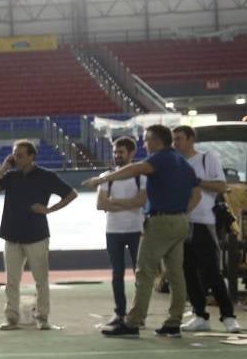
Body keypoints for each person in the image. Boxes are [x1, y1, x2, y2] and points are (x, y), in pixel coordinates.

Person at [83, 125, 201, 337]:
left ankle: (133, 322)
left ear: (156, 141)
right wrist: (181, 213)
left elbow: (134, 169)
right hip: (181, 221)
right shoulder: (181, 161)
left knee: (144, 272)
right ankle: (174, 322)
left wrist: (102, 179)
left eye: (147, 140)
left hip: (160, 222)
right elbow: (197, 194)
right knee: (175, 274)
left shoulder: (159, 158)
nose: (145, 144)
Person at [0, 140, 78, 330]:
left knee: (41, 280)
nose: (16, 158)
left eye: (20, 155)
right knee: (11, 281)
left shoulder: (46, 176)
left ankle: (42, 318)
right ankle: (11, 319)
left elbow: (71, 194)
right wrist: (2, 169)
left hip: (37, 235)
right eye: (14, 154)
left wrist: (49, 210)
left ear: (31, 156)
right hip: (12, 235)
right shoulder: (10, 176)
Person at [171, 125, 242, 332]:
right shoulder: (175, 163)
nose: (176, 143)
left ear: (191, 139)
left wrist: (197, 181)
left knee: (211, 271)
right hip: (181, 222)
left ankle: (228, 316)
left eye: (179, 139)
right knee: (188, 272)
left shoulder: (207, 158)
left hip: (203, 221)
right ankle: (200, 315)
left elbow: (221, 186)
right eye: (173, 140)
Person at [96, 136, 146, 327]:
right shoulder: (106, 177)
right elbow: (101, 204)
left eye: (121, 152)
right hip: (113, 231)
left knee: (140, 274)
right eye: (115, 152)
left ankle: (138, 314)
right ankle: (120, 313)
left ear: (131, 153)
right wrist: (128, 204)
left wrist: (114, 202)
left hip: (136, 230)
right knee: (117, 274)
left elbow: (141, 201)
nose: (117, 156)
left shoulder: (140, 176)